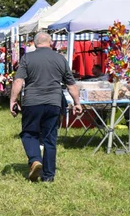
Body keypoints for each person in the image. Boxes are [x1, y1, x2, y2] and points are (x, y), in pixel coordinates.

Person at [10, 32, 83, 183]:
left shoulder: (27, 58)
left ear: (35, 43)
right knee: (50, 138)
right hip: (54, 103)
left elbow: (18, 81)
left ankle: (35, 160)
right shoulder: (60, 59)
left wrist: (13, 101)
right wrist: (77, 103)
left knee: (29, 134)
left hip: (32, 102)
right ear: (51, 42)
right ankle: (48, 176)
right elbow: (71, 84)